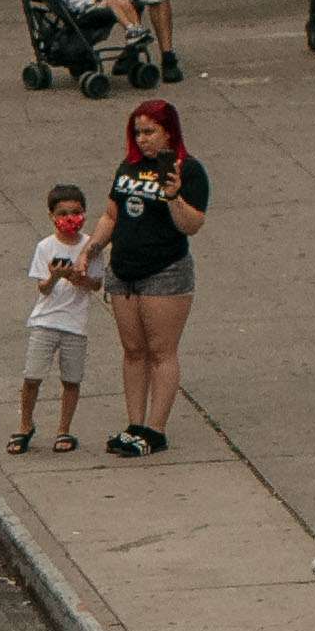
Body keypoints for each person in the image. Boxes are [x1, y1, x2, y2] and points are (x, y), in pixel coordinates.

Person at [100, 96, 208, 455]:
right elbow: (111, 215)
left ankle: (155, 429)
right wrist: (91, 249)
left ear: (168, 132)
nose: (143, 139)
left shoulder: (188, 170)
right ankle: (134, 424)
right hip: (124, 270)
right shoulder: (127, 168)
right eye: (138, 132)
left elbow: (191, 225)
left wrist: (173, 196)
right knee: (133, 350)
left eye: (151, 131)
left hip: (165, 273)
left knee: (161, 351)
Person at [19, 185, 99, 456]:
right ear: (52, 216)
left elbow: (96, 284)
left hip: (75, 324)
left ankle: (63, 429)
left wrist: (78, 277)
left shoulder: (90, 247)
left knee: (71, 379)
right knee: (32, 376)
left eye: (76, 212)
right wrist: (55, 276)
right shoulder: (45, 247)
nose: (70, 218)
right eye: (63, 213)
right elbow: (42, 287)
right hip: (46, 320)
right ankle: (25, 424)